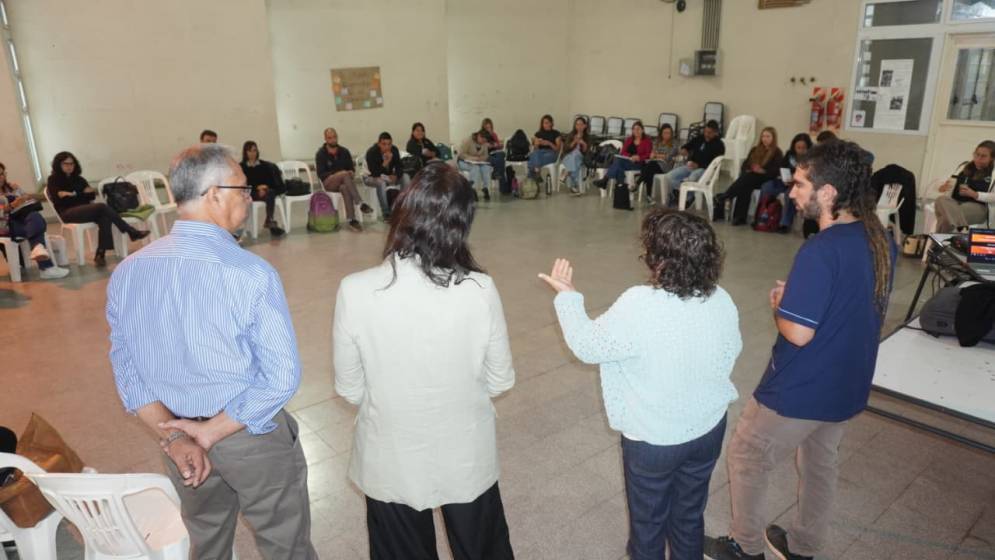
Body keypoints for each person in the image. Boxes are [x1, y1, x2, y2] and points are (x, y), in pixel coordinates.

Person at [107, 144, 318, 559]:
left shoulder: (129, 272)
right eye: (242, 188)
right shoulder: (249, 273)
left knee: (208, 540)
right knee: (285, 543)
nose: (250, 197)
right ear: (214, 195)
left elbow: (129, 372)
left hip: (180, 435)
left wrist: (176, 438)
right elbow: (281, 377)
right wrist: (212, 431)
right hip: (247, 435)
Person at [705, 140, 896, 560]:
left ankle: (746, 547)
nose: (792, 192)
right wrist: (801, 297)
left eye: (800, 184)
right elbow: (849, 302)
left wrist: (780, 305)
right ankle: (804, 545)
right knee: (819, 461)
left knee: (747, 451)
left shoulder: (821, 249)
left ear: (827, 193)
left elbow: (798, 334)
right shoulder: (880, 239)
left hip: (803, 386)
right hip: (848, 383)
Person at [334, 163, 515, 559]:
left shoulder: (356, 290)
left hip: (390, 455)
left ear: (402, 212)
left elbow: (349, 389)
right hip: (465, 452)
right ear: (460, 225)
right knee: (482, 548)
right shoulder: (480, 289)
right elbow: (500, 379)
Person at [538, 209, 741, 560]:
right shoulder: (721, 298)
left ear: (658, 259)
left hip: (654, 440)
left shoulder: (639, 304)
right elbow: (731, 350)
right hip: (708, 429)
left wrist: (568, 297)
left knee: (648, 528)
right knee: (689, 516)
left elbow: (588, 346)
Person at [46, 152, 149, 267]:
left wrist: (72, 194)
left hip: (84, 210)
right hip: (67, 212)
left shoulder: (79, 179)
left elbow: (91, 195)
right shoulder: (53, 180)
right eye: (66, 164)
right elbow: (59, 199)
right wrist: (81, 194)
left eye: (72, 163)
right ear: (58, 165)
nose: (69, 166)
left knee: (104, 216)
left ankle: (100, 253)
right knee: (102, 207)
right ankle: (130, 231)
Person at [0, 162, 69, 279]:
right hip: (6, 226)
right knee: (38, 225)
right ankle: (45, 266)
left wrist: (22, 195)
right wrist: (12, 205)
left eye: (2, 174)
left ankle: (39, 251)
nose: (1, 177)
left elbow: (27, 199)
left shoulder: (11, 187)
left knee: (35, 216)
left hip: (23, 219)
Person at [714, 127, 783, 225]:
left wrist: (762, 171)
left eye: (768, 136)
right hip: (751, 177)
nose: (765, 139)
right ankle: (739, 217)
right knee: (746, 185)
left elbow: (775, 171)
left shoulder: (777, 152)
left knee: (747, 180)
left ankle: (725, 196)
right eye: (763, 136)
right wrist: (750, 168)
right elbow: (745, 164)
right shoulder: (755, 149)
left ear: (773, 138)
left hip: (765, 178)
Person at [315, 128, 373, 232]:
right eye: (330, 138)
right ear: (325, 139)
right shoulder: (320, 154)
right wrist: (338, 174)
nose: (333, 140)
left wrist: (350, 172)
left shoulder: (344, 151)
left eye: (334, 137)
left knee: (345, 187)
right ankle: (360, 203)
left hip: (344, 182)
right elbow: (321, 174)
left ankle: (352, 219)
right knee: (343, 174)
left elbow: (351, 168)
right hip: (329, 183)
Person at [934, 140, 995, 233]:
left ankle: (937, 245)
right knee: (940, 199)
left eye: (983, 156)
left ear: (992, 158)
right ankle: (962, 229)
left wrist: (975, 194)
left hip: (978, 206)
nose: (978, 159)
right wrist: (942, 186)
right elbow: (942, 182)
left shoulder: (993, 173)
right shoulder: (965, 166)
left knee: (945, 219)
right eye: (976, 154)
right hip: (955, 203)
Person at [757, 133, 812, 234]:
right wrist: (784, 178)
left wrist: (795, 180)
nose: (800, 150)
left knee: (789, 194)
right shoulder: (789, 155)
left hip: (799, 184)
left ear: (808, 147)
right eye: (798, 147)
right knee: (766, 187)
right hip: (786, 181)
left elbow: (810, 176)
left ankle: (785, 224)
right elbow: (782, 168)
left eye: (803, 148)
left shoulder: (811, 158)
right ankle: (762, 216)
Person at [661, 120, 725, 205]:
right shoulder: (700, 138)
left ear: (715, 133)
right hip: (691, 166)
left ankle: (688, 199)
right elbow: (688, 145)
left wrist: (699, 165)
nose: (706, 134)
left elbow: (714, 164)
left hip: (705, 170)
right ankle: (680, 192)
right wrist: (684, 149)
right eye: (705, 131)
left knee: (692, 177)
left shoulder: (719, 145)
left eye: (709, 133)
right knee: (669, 177)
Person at [240, 141, 286, 238]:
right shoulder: (242, 167)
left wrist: (265, 187)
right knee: (268, 194)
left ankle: (269, 220)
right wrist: (257, 188)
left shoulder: (264, 165)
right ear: (245, 152)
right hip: (250, 192)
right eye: (250, 151)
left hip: (265, 191)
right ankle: (271, 224)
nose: (253, 153)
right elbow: (243, 184)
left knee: (270, 192)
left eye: (254, 150)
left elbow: (270, 180)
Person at [594, 121, 652, 192]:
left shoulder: (647, 141)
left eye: (638, 129)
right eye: (634, 129)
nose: (636, 131)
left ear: (642, 130)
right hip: (627, 161)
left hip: (639, 163)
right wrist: (630, 156)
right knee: (619, 163)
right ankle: (620, 186)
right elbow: (623, 152)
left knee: (618, 162)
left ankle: (606, 181)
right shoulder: (629, 139)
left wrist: (639, 157)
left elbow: (648, 154)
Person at [364, 132, 404, 219]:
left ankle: (405, 206)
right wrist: (386, 162)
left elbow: (400, 166)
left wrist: (396, 175)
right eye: (384, 144)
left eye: (389, 144)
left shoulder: (394, 150)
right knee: (381, 182)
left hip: (388, 177)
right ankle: (386, 212)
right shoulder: (372, 152)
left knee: (406, 177)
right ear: (379, 143)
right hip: (370, 177)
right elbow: (374, 173)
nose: (387, 147)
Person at [639, 124, 680, 203]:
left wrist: (657, 155)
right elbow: (652, 155)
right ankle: (649, 196)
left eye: (669, 133)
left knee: (651, 166)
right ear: (661, 133)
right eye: (665, 133)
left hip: (666, 166)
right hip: (655, 165)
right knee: (648, 168)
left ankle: (639, 183)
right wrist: (655, 156)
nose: (667, 135)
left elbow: (668, 156)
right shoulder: (657, 142)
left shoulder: (674, 143)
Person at [458, 130, 493, 201]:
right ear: (479, 136)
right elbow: (461, 154)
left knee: (486, 168)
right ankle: (473, 190)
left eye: (485, 141)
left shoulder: (484, 144)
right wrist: (473, 158)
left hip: (478, 162)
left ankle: (486, 189)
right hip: (464, 162)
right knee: (475, 168)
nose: (483, 142)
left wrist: (481, 159)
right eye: (482, 140)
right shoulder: (468, 141)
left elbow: (486, 155)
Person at [561, 116, 592, 195]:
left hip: (581, 158)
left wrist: (583, 143)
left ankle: (566, 173)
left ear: (585, 126)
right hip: (568, 157)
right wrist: (574, 142)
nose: (579, 127)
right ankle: (574, 185)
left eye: (581, 125)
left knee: (576, 156)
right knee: (574, 157)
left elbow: (586, 152)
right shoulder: (571, 135)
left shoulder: (587, 137)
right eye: (577, 125)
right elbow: (565, 149)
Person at [528, 114, 562, 181]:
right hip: (540, 153)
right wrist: (536, 144)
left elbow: (558, 149)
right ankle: (537, 171)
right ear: (542, 124)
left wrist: (549, 143)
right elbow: (535, 149)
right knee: (534, 154)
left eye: (548, 123)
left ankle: (534, 175)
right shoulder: (538, 134)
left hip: (552, 153)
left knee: (531, 161)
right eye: (544, 123)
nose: (546, 125)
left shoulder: (556, 133)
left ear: (552, 123)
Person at [482, 118, 507, 192]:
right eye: (487, 128)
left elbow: (498, 145)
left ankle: (495, 172)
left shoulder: (494, 134)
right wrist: (487, 145)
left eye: (490, 127)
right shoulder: (481, 135)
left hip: (495, 153)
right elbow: (479, 146)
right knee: (501, 162)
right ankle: (503, 189)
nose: (488, 129)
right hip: (486, 155)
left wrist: (498, 145)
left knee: (502, 154)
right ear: (483, 127)